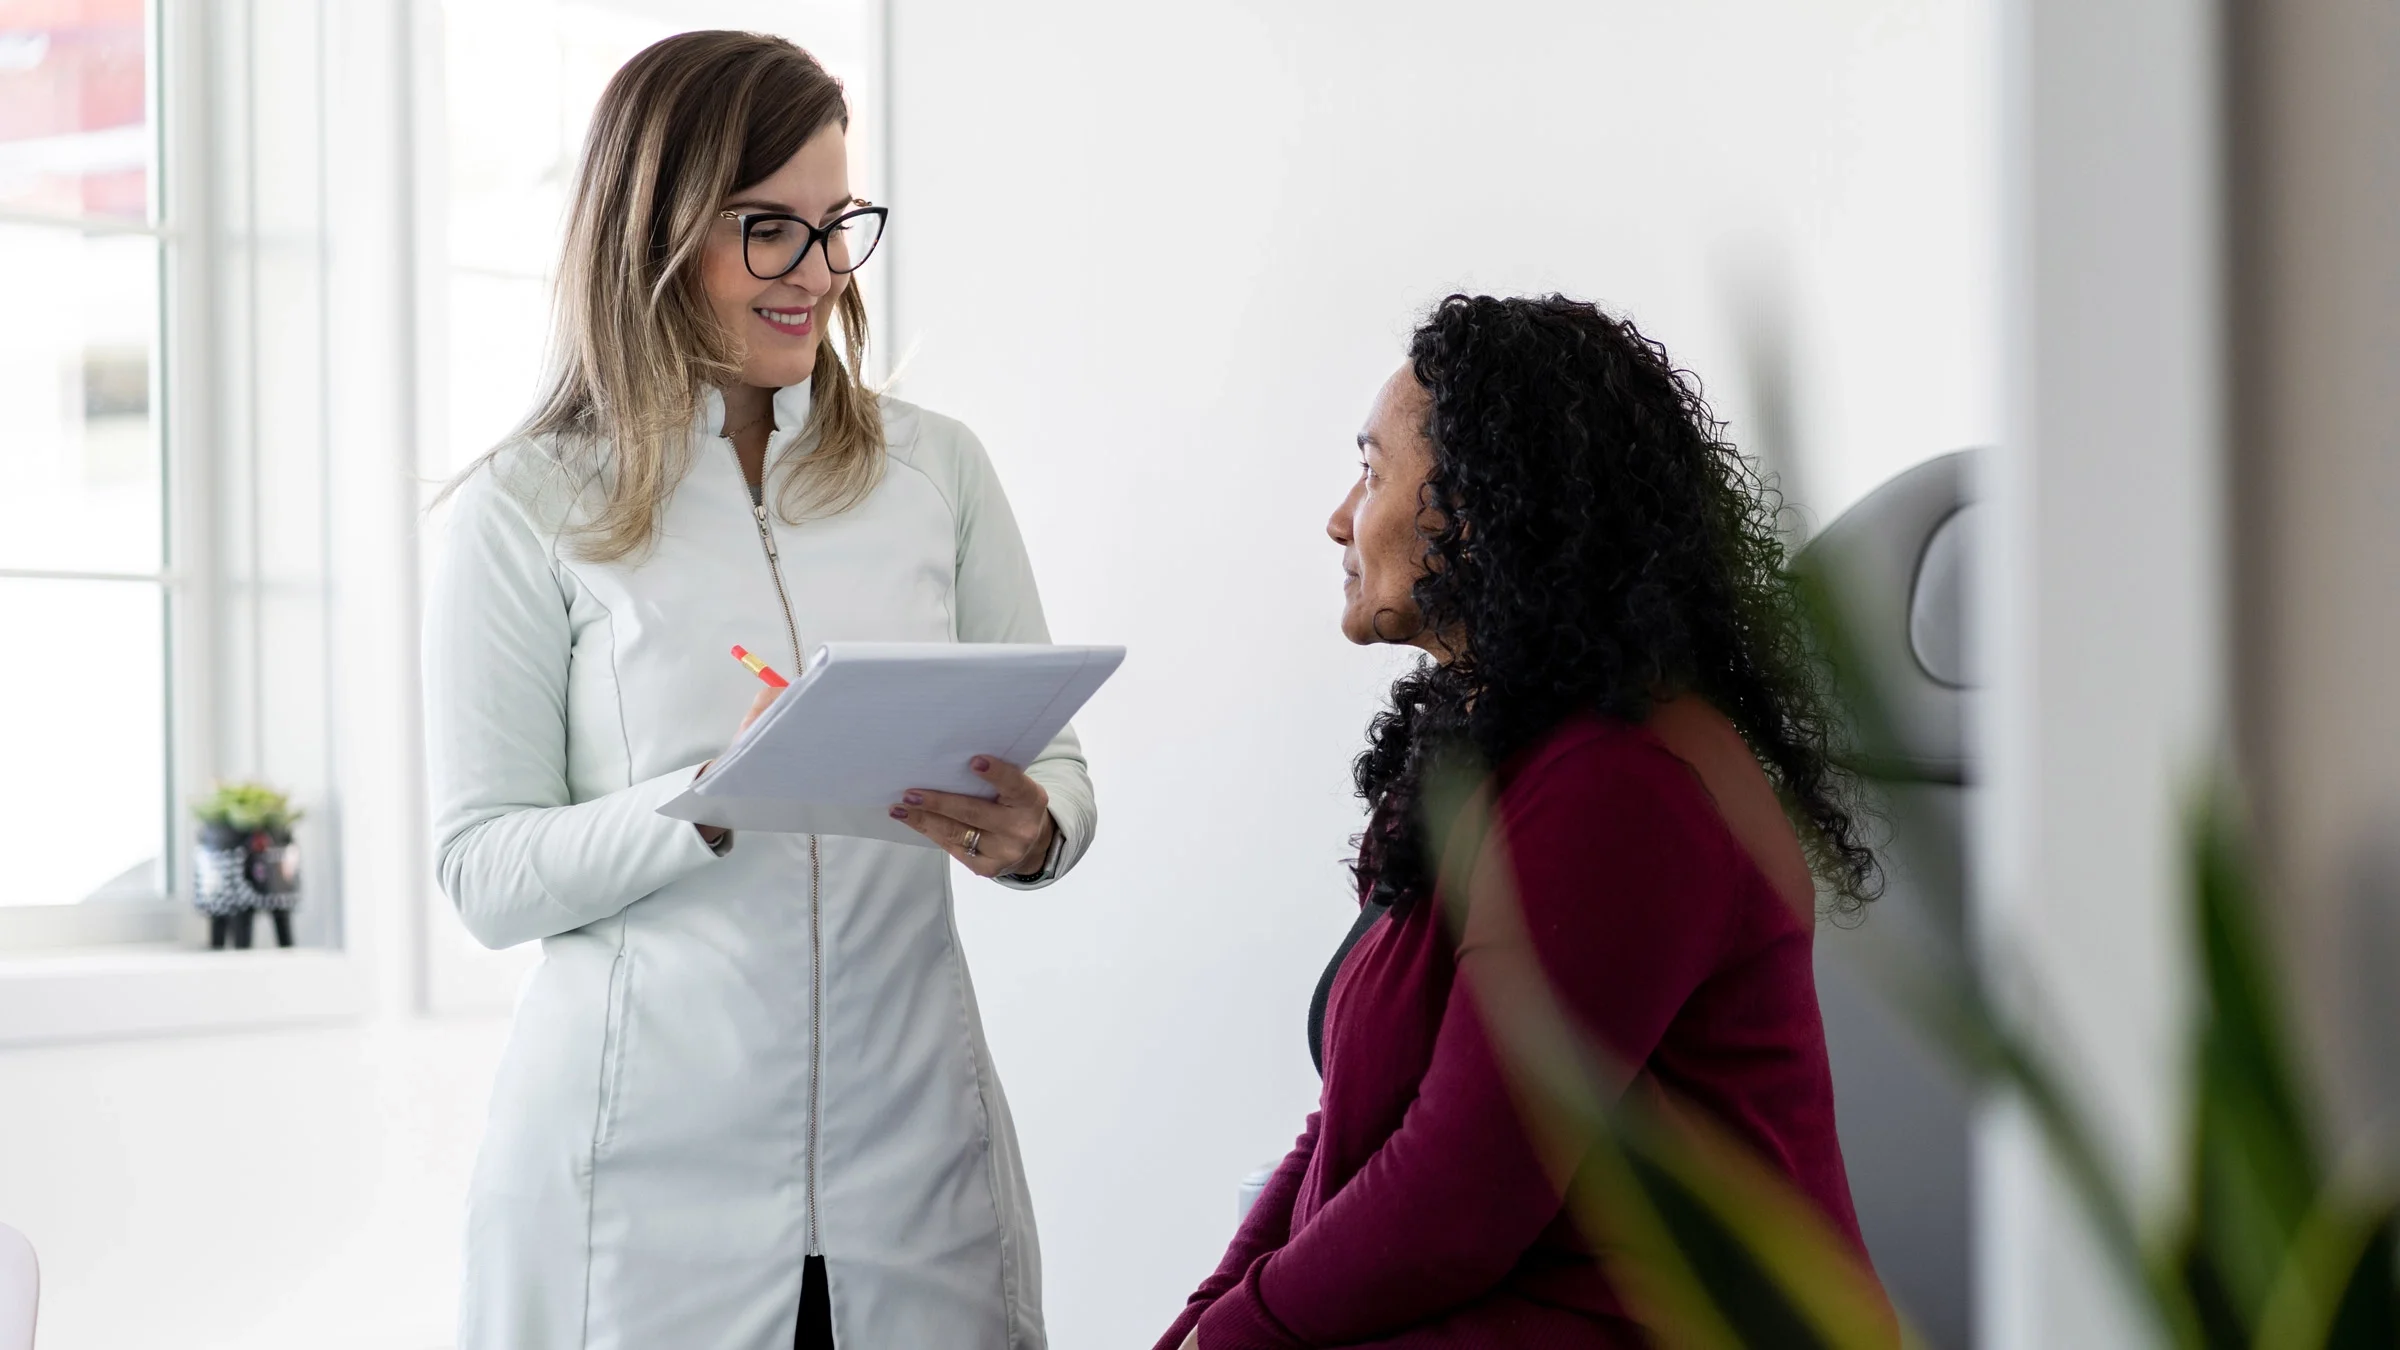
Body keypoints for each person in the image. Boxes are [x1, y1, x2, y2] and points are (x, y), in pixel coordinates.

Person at [422, 31, 1093, 1350]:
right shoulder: (527, 504)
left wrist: (1038, 829)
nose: (820, 272)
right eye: (768, 230)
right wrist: (706, 799)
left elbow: (1056, 765)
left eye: (840, 224)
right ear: (655, 234)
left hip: (915, 1175)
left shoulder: (934, 473)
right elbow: (485, 872)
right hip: (635, 1195)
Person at [1156, 294, 1883, 1348]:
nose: (1337, 516)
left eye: (1371, 468)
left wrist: (1236, 1338)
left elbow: (1457, 1200)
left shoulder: (1624, 789)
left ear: (1481, 504)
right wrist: (1205, 1323)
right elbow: (1346, 1128)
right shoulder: (1494, 758)